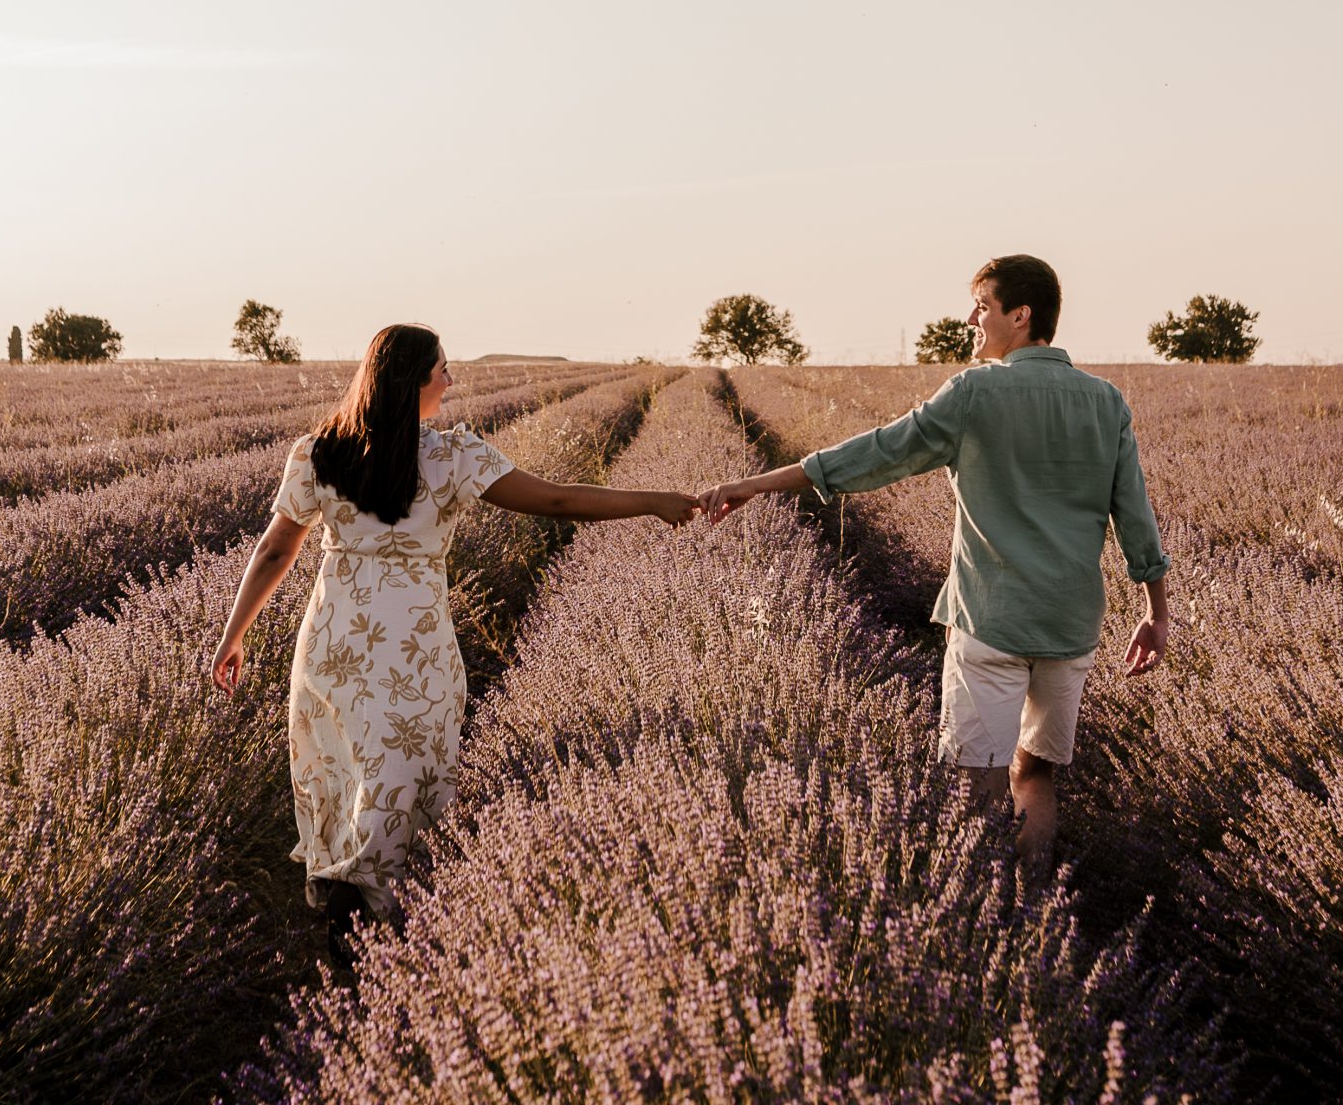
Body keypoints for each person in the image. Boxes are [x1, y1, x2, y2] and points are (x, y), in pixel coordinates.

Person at [210, 325, 697, 936]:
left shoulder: (318, 453)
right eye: (443, 369)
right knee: (402, 775)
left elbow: (276, 550)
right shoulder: (454, 455)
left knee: (345, 769)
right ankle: (376, 918)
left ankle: (346, 909)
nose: (451, 379)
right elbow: (557, 502)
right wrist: (652, 500)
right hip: (415, 647)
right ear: (412, 380)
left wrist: (234, 634)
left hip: (333, 643)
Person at [700, 254, 1170, 874]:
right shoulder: (1106, 401)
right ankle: (1031, 902)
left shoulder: (975, 391)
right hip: (1070, 623)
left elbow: (876, 454)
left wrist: (756, 484)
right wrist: (1155, 613)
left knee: (976, 784)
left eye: (983, 304)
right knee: (1037, 774)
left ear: (1020, 315)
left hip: (990, 620)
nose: (971, 318)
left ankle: (984, 913)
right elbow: (1134, 516)